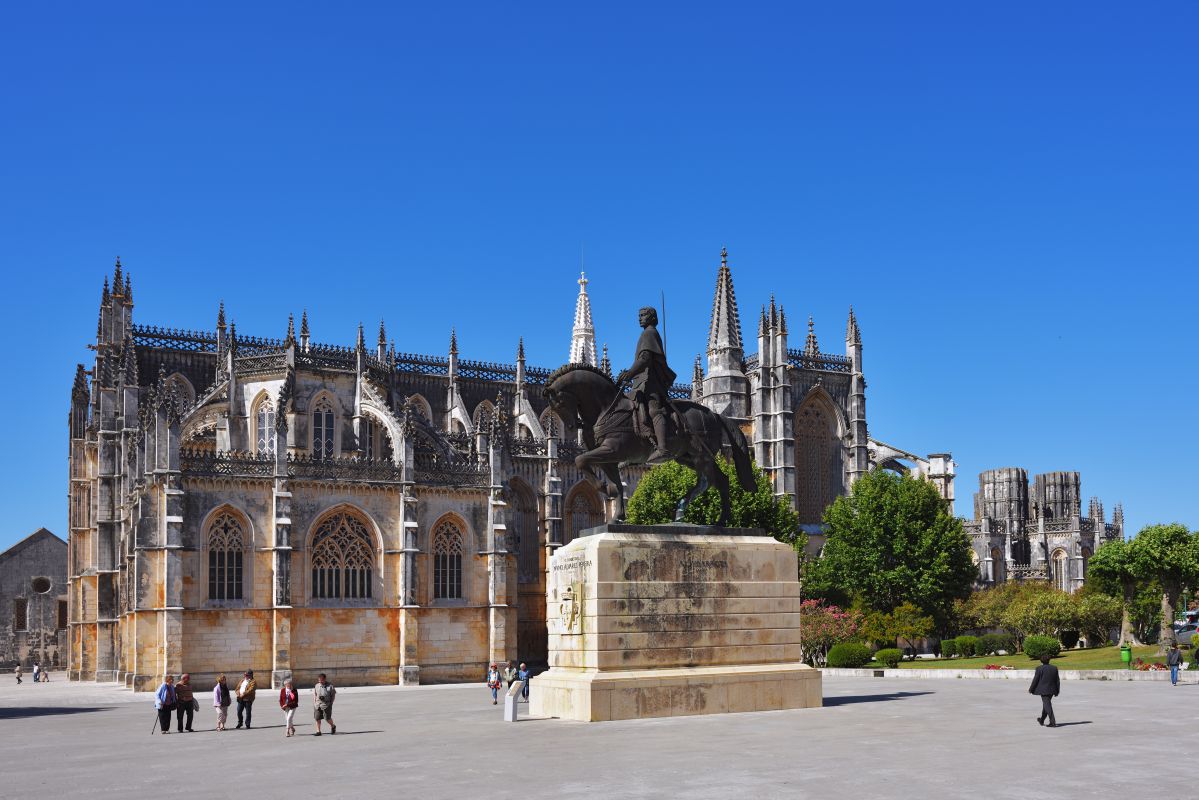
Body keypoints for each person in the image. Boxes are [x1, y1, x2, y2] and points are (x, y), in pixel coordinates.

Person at [615, 306, 678, 465]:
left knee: (654, 409)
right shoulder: (645, 334)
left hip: (652, 383)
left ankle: (663, 448)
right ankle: (636, 451)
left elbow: (645, 360)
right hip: (642, 381)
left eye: (643, 315)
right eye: (639, 315)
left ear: (652, 318)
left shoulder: (650, 333)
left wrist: (628, 374)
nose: (640, 318)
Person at [1029, 653, 1060, 727]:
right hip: (1052, 690)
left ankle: (1052, 722)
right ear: (1049, 660)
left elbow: (1035, 680)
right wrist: (1057, 690)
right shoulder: (1054, 668)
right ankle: (1042, 720)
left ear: (1041, 661)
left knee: (1047, 705)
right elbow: (1057, 681)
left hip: (1043, 690)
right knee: (1046, 705)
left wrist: (1031, 689)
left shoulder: (1039, 668)